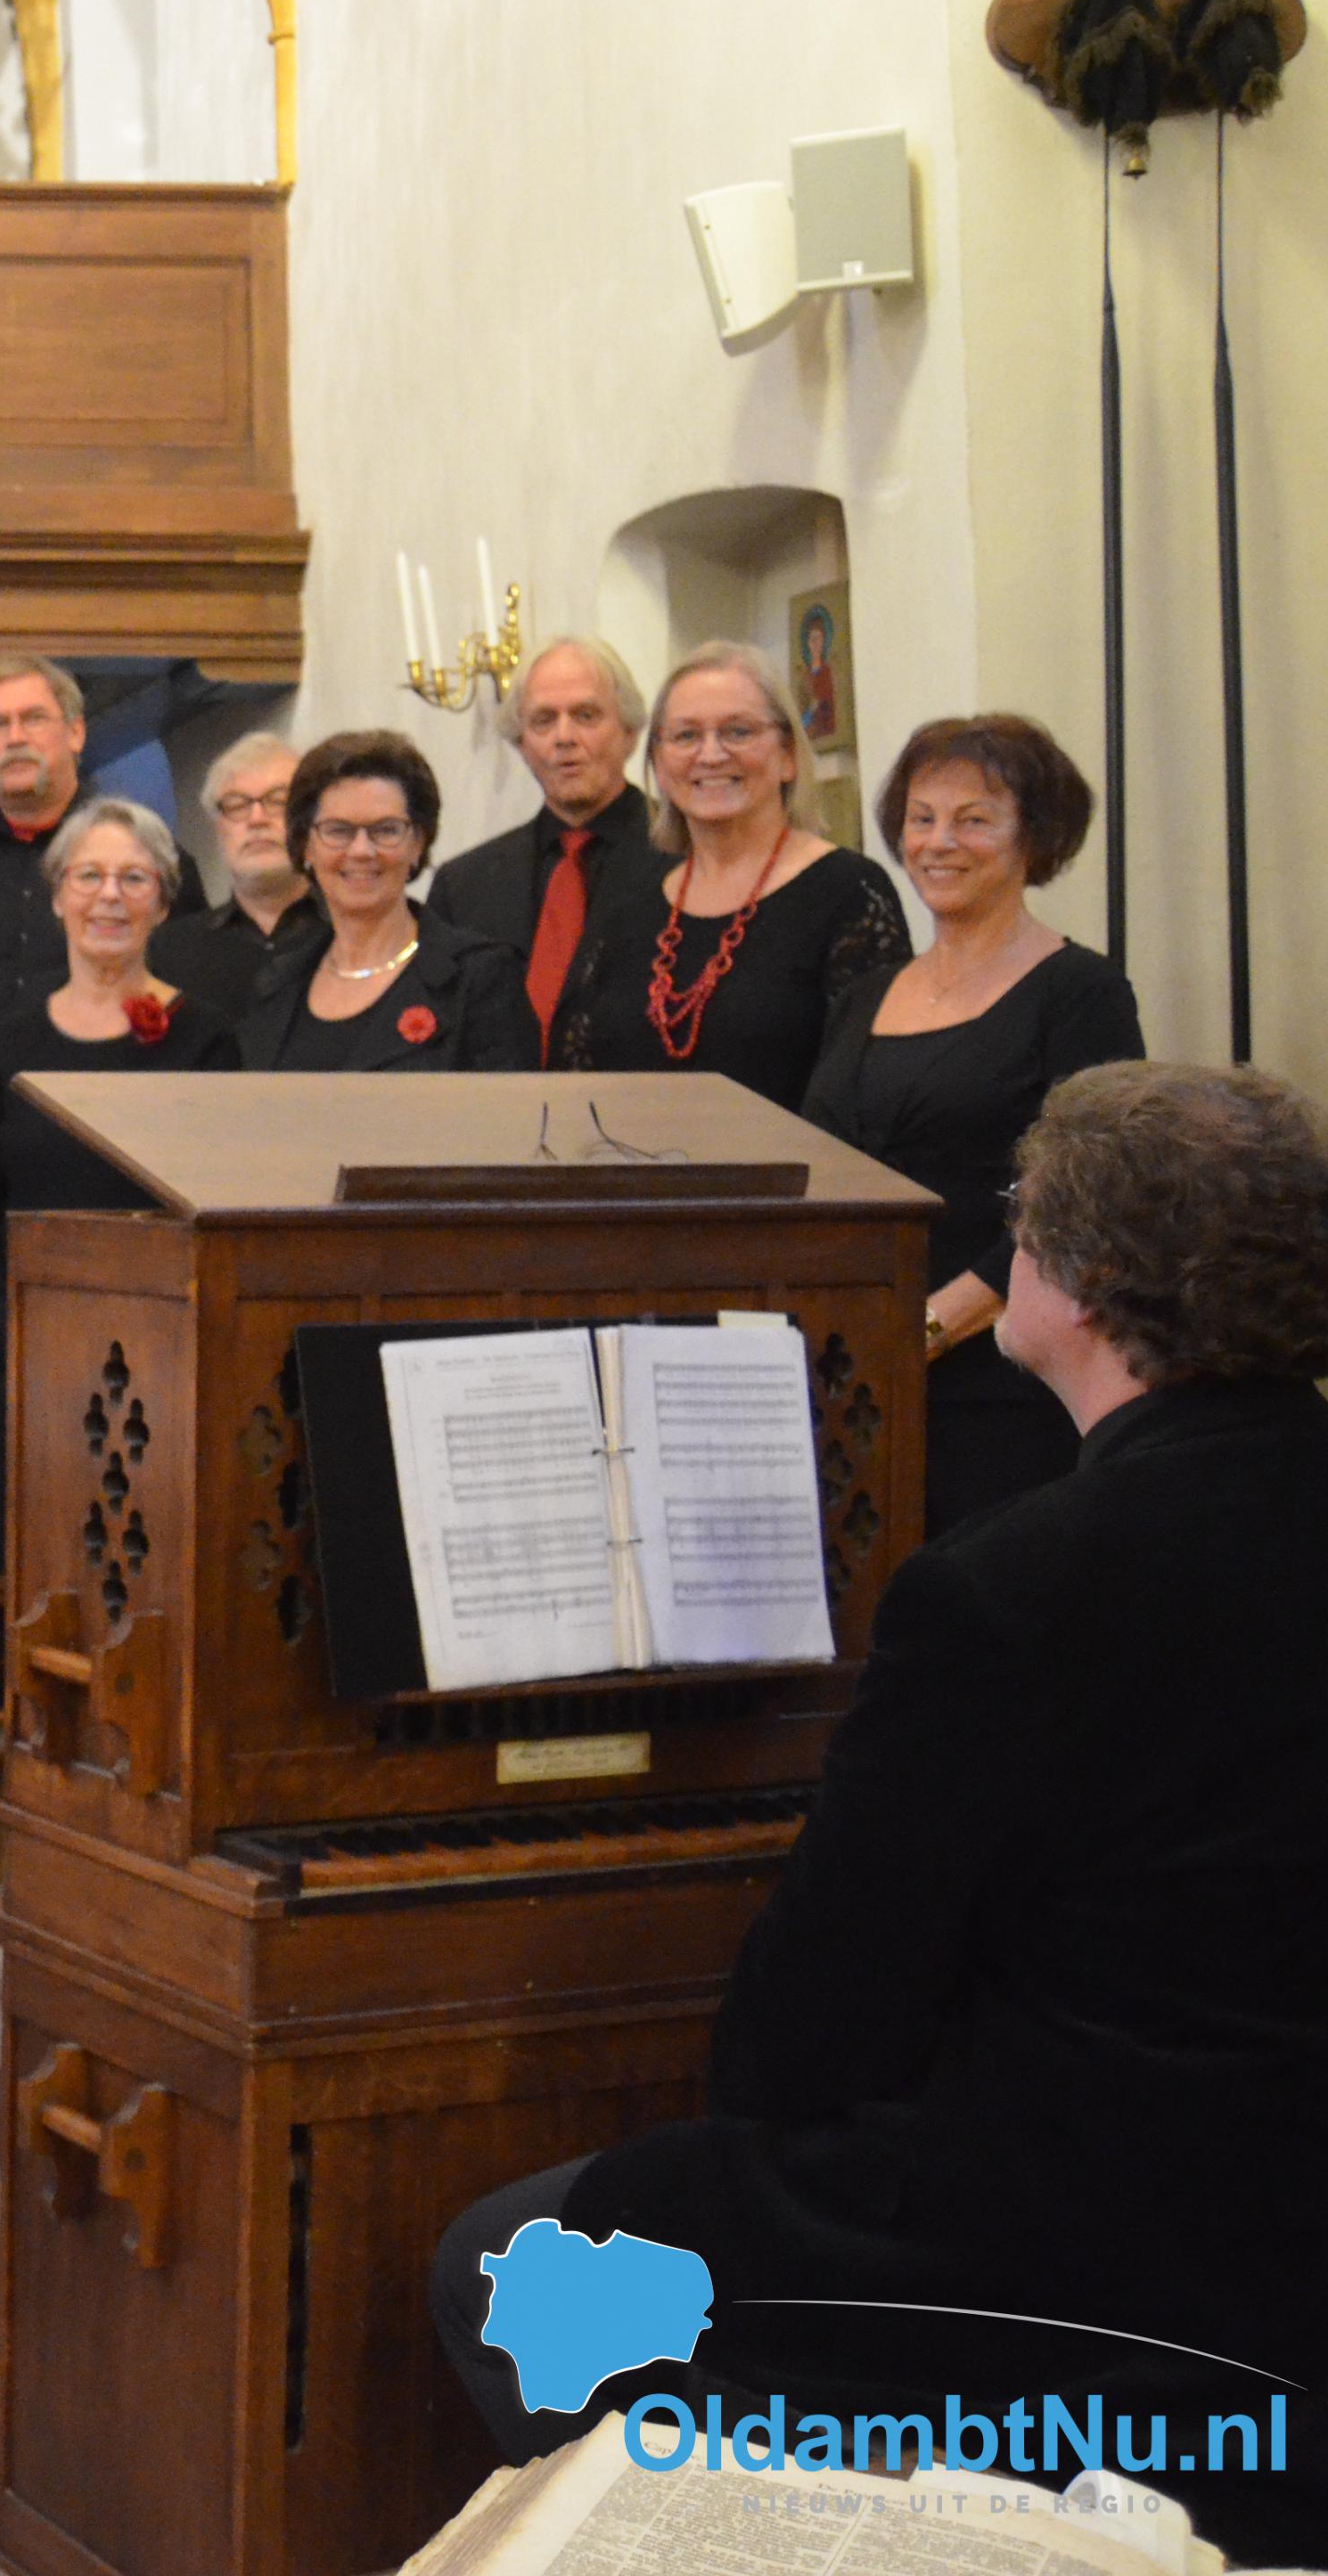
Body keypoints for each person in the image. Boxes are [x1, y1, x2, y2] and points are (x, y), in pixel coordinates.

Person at [430, 1061, 1328, 2573]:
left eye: (1020, 1218)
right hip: (1285, 2213)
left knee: (515, 2271)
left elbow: (801, 2042)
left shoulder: (1011, 1585)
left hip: (1084, 2255)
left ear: (1080, 1282)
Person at [799, 716, 1143, 1538]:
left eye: (974, 819)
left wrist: (929, 1325)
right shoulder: (865, 996)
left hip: (1003, 1383)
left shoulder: (1082, 993)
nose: (939, 842)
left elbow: (1087, 1199)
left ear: (1036, 837)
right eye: (921, 818)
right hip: (854, 1372)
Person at [0, 798, 245, 1590]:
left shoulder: (206, 1040)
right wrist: (9, 1326)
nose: (109, 896)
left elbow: (218, 1205)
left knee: (144, 1574)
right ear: (58, 896)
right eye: (89, 877)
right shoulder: (9, 1038)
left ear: (163, 903)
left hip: (157, 1361)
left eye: (133, 878)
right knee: (21, 1566)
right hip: (23, 1353)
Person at [553, 642, 907, 1103]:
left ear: (788, 755)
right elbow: (572, 1085)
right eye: (685, 736)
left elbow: (871, 1091)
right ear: (658, 763)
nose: (711, 755)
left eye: (738, 731)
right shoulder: (627, 911)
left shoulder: (850, 893)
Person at [0, 656, 201, 1019]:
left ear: (76, 733)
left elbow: (190, 999)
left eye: (34, 719)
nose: (15, 738)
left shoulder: (147, 858)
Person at [234, 733, 537, 1072]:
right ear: (306, 845)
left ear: (418, 843)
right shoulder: (276, 986)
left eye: (386, 830)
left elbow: (510, 1106)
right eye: (338, 830)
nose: (362, 850)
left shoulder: (480, 978)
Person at [423, 639, 664, 1057]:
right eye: (543, 721)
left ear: (629, 732)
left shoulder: (688, 859)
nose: (564, 737)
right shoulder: (463, 886)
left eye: (586, 715)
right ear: (521, 743)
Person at [143, 732, 311, 1011]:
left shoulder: (355, 932)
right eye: (237, 805)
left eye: (278, 801)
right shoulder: (167, 954)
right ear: (217, 828)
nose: (257, 819)